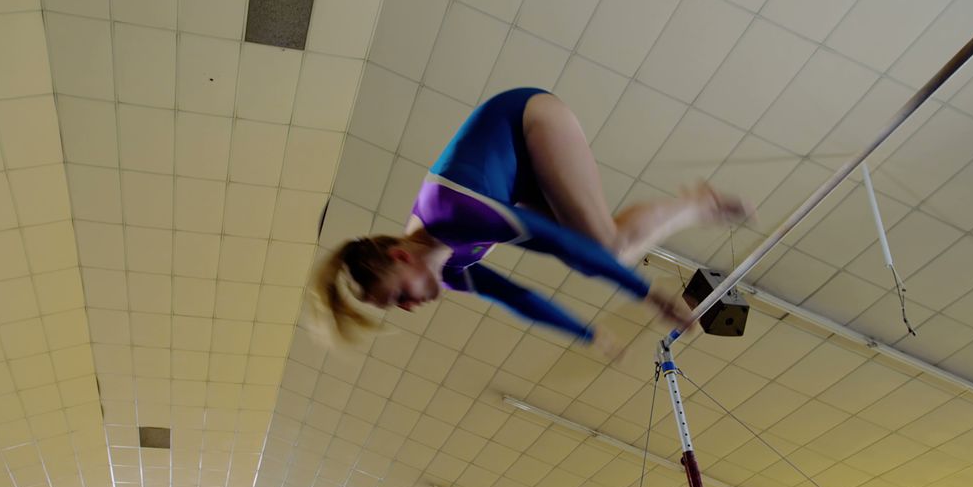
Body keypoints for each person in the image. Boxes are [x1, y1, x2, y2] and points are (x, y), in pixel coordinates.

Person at [312, 87, 750, 351]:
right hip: (516, 180)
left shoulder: (454, 214)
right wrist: (584, 333)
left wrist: (651, 296)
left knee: (605, 248)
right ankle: (695, 203)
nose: (407, 308)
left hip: (527, 117)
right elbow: (516, 298)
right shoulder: (447, 272)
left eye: (396, 297)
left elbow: (557, 243)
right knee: (616, 248)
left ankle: (696, 204)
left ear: (401, 258)